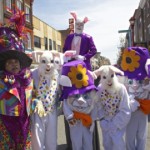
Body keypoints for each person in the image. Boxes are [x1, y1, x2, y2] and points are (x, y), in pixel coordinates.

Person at [63, 12, 98, 150]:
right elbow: (65, 49)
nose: (78, 26)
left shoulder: (88, 37)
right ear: (74, 24)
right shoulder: (70, 36)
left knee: (87, 92)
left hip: (84, 68)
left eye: (81, 25)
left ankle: (88, 117)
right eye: (77, 24)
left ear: (84, 25)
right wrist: (68, 55)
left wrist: (85, 57)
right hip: (70, 69)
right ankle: (71, 115)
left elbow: (94, 50)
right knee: (70, 93)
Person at [0, 25, 33, 149]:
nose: (14, 64)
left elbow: (32, 96)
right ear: (4, 66)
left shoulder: (27, 78)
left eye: (16, 62)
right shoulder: (1, 79)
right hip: (5, 124)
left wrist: (36, 102)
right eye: (9, 62)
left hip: (24, 122)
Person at [59, 60, 98, 150]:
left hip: (87, 120)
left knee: (88, 142)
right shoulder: (68, 95)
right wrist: (69, 117)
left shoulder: (90, 92)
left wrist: (92, 119)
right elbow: (65, 105)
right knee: (76, 142)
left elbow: (94, 106)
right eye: (76, 95)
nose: (80, 100)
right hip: (75, 121)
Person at [119, 46, 150, 150]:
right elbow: (122, 92)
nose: (136, 85)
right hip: (130, 112)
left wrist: (147, 82)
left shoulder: (146, 78)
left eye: (139, 81)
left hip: (143, 111)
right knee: (130, 136)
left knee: (142, 136)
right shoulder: (125, 77)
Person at [94, 65, 131, 150]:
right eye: (105, 77)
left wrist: (115, 123)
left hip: (118, 123)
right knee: (107, 144)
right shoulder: (100, 89)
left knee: (119, 144)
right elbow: (98, 104)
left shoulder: (121, 88)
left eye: (111, 76)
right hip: (106, 122)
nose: (109, 80)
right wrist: (103, 119)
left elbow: (125, 108)